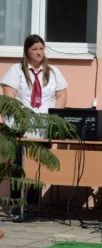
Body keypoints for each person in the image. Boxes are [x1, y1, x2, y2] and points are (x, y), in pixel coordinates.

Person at [1, 34, 68, 211]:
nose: (39, 53)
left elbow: (61, 95)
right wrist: (16, 125)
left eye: (41, 48)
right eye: (34, 49)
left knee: (40, 165)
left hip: (44, 127)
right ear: (27, 51)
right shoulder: (16, 70)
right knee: (18, 167)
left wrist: (56, 119)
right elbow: (9, 99)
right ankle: (16, 205)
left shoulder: (53, 72)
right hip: (21, 126)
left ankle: (32, 204)